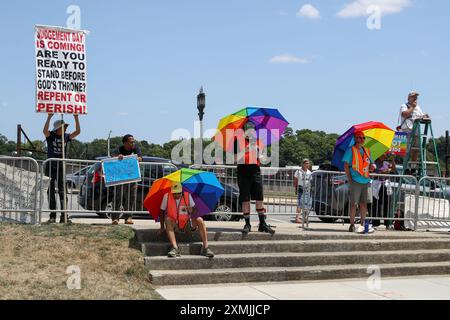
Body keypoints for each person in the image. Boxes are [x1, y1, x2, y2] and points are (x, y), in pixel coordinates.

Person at [234, 124, 275, 235]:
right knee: (245, 199)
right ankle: (247, 224)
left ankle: (262, 224)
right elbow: (234, 159)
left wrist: (263, 157)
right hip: (243, 171)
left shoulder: (258, 142)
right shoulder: (238, 141)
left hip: (255, 171)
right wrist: (246, 149)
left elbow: (262, 158)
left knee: (259, 198)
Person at [43, 113, 81, 224]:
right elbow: (44, 131)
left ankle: (64, 216)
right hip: (50, 165)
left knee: (62, 191)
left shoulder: (66, 136)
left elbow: (78, 132)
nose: (65, 128)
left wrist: (76, 117)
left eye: (66, 127)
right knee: (50, 191)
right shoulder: (51, 136)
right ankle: (52, 216)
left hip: (61, 166)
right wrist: (49, 117)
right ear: (58, 128)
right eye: (64, 127)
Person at [158, 183, 214, 258]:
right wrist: (162, 227)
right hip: (175, 225)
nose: (176, 195)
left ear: (181, 192)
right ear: (171, 192)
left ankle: (206, 248)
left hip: (187, 224)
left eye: (178, 193)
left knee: (200, 220)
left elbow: (195, 211)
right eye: (174, 193)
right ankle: (175, 248)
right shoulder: (167, 196)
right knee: (167, 219)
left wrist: (192, 210)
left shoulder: (187, 195)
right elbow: (161, 211)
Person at [343, 130, 376, 233]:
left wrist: (372, 166)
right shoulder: (351, 150)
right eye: (359, 137)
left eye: (363, 138)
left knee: (364, 204)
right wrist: (350, 179)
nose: (361, 139)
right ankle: (352, 225)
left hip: (365, 180)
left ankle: (362, 225)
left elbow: (371, 165)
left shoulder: (367, 150)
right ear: (355, 138)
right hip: (355, 180)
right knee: (353, 204)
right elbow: (346, 166)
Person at [111, 134, 143, 225]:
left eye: (134, 141)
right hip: (120, 177)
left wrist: (138, 158)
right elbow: (112, 156)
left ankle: (128, 217)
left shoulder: (136, 148)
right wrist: (118, 156)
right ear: (125, 143)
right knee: (117, 197)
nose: (133, 143)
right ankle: (115, 218)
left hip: (132, 177)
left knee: (131, 197)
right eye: (131, 141)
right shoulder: (119, 149)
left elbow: (140, 158)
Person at [399, 91, 431, 164]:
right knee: (407, 151)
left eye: (416, 97)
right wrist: (412, 107)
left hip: (416, 131)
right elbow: (404, 114)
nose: (415, 98)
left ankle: (413, 167)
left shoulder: (418, 108)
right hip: (406, 131)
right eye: (413, 97)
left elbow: (421, 116)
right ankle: (405, 166)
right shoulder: (404, 105)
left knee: (416, 149)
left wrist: (425, 116)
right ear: (409, 98)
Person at [372, 153, 397, 228]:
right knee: (376, 204)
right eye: (383, 154)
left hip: (386, 185)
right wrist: (382, 172)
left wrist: (393, 159)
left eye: (385, 155)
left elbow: (393, 169)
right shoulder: (374, 164)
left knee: (387, 204)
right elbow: (373, 173)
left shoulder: (386, 163)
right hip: (377, 185)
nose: (385, 156)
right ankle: (375, 223)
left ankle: (387, 223)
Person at [293, 159, 312, 225]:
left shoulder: (309, 172)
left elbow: (310, 181)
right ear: (303, 164)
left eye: (308, 163)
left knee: (307, 204)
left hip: (307, 189)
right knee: (300, 204)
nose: (307, 165)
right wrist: (295, 188)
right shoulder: (298, 171)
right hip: (300, 188)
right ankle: (297, 218)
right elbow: (295, 180)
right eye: (306, 163)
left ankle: (305, 218)